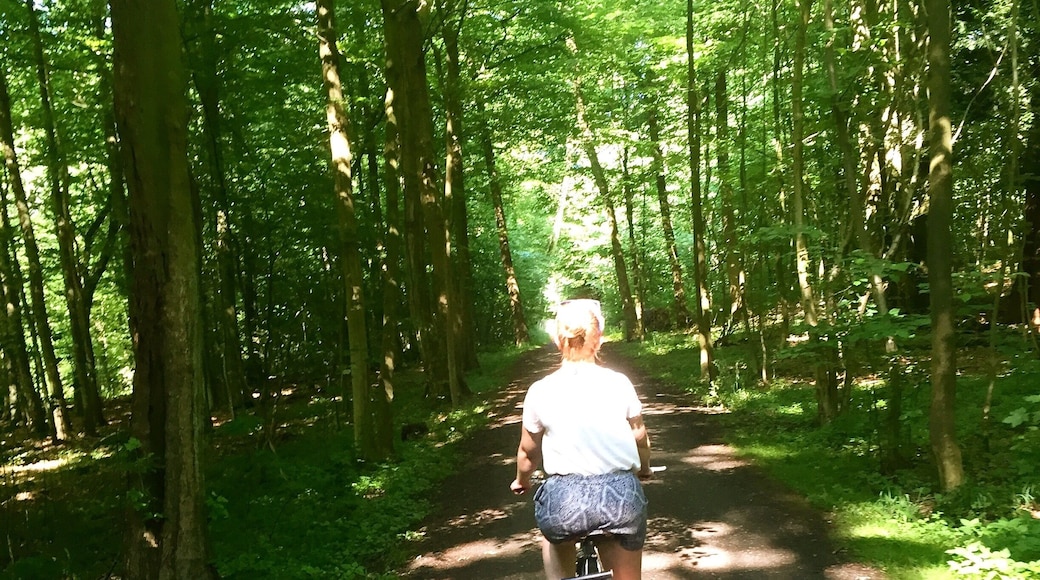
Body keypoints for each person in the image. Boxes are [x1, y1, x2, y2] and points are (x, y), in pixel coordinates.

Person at [510, 299, 652, 580]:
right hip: (620, 498)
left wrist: (521, 481)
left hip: (565, 502)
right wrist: (645, 468)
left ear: (556, 340)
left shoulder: (541, 390)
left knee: (553, 538)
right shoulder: (619, 383)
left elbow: (528, 453)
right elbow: (639, 435)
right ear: (599, 339)